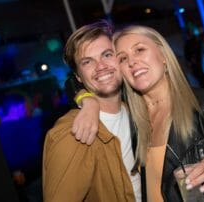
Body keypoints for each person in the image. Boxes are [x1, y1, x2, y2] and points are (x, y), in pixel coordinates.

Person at [73, 25, 204, 201]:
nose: (132, 62)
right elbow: (74, 80)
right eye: (122, 58)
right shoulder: (132, 116)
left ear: (163, 56)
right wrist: (87, 101)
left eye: (139, 50)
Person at [42, 20, 141, 202]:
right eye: (87, 62)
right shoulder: (72, 134)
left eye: (107, 54)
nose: (101, 66)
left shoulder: (137, 110)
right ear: (79, 76)